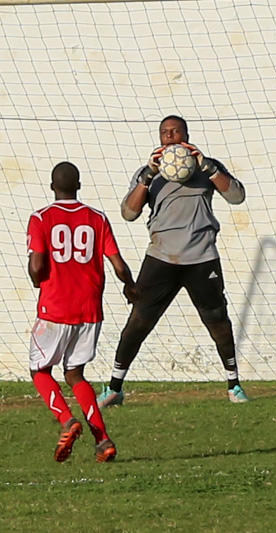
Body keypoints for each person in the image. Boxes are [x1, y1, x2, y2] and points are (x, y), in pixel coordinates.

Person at [97, 115, 250, 406]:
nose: (170, 137)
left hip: (201, 257)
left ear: (186, 136)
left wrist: (209, 167)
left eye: (175, 131)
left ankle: (234, 385)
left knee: (217, 320)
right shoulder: (148, 173)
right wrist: (147, 176)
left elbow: (237, 197)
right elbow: (128, 213)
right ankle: (115, 388)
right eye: (164, 132)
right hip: (161, 257)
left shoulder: (208, 168)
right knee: (139, 321)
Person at [27, 161, 138, 462]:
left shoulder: (41, 218)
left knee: (40, 370)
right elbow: (118, 264)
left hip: (55, 307)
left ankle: (67, 420)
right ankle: (103, 441)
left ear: (52, 187)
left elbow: (37, 265)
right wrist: (130, 286)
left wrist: (37, 279)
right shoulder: (97, 218)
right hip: (90, 309)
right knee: (75, 373)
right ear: (78, 186)